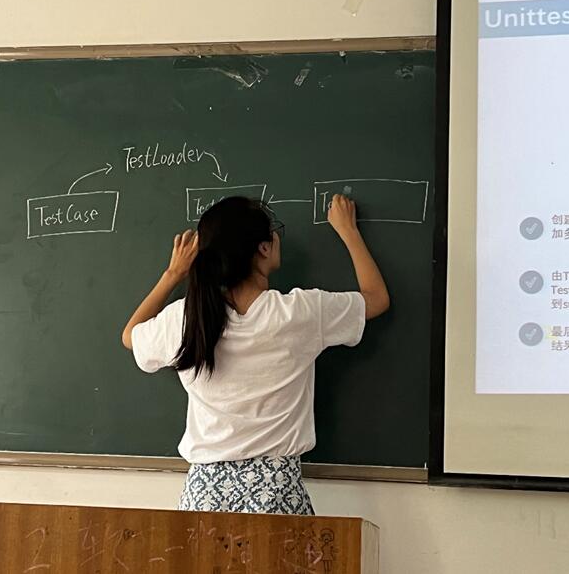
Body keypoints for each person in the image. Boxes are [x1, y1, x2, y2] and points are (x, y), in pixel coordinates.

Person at [121, 194, 389, 514]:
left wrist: (173, 274)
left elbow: (130, 336)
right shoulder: (299, 313)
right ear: (263, 248)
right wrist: (349, 231)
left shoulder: (186, 318)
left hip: (203, 497)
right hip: (275, 493)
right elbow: (376, 299)